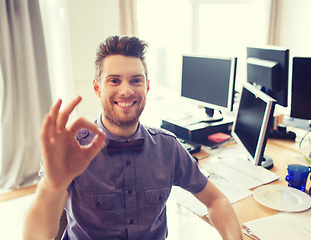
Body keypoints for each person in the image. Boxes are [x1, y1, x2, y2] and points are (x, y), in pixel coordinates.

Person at [23, 35, 242, 240]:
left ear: (147, 86)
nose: (126, 91)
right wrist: (52, 185)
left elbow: (216, 199)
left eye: (136, 80)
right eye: (114, 81)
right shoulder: (72, 149)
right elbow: (36, 236)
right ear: (97, 88)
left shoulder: (169, 148)